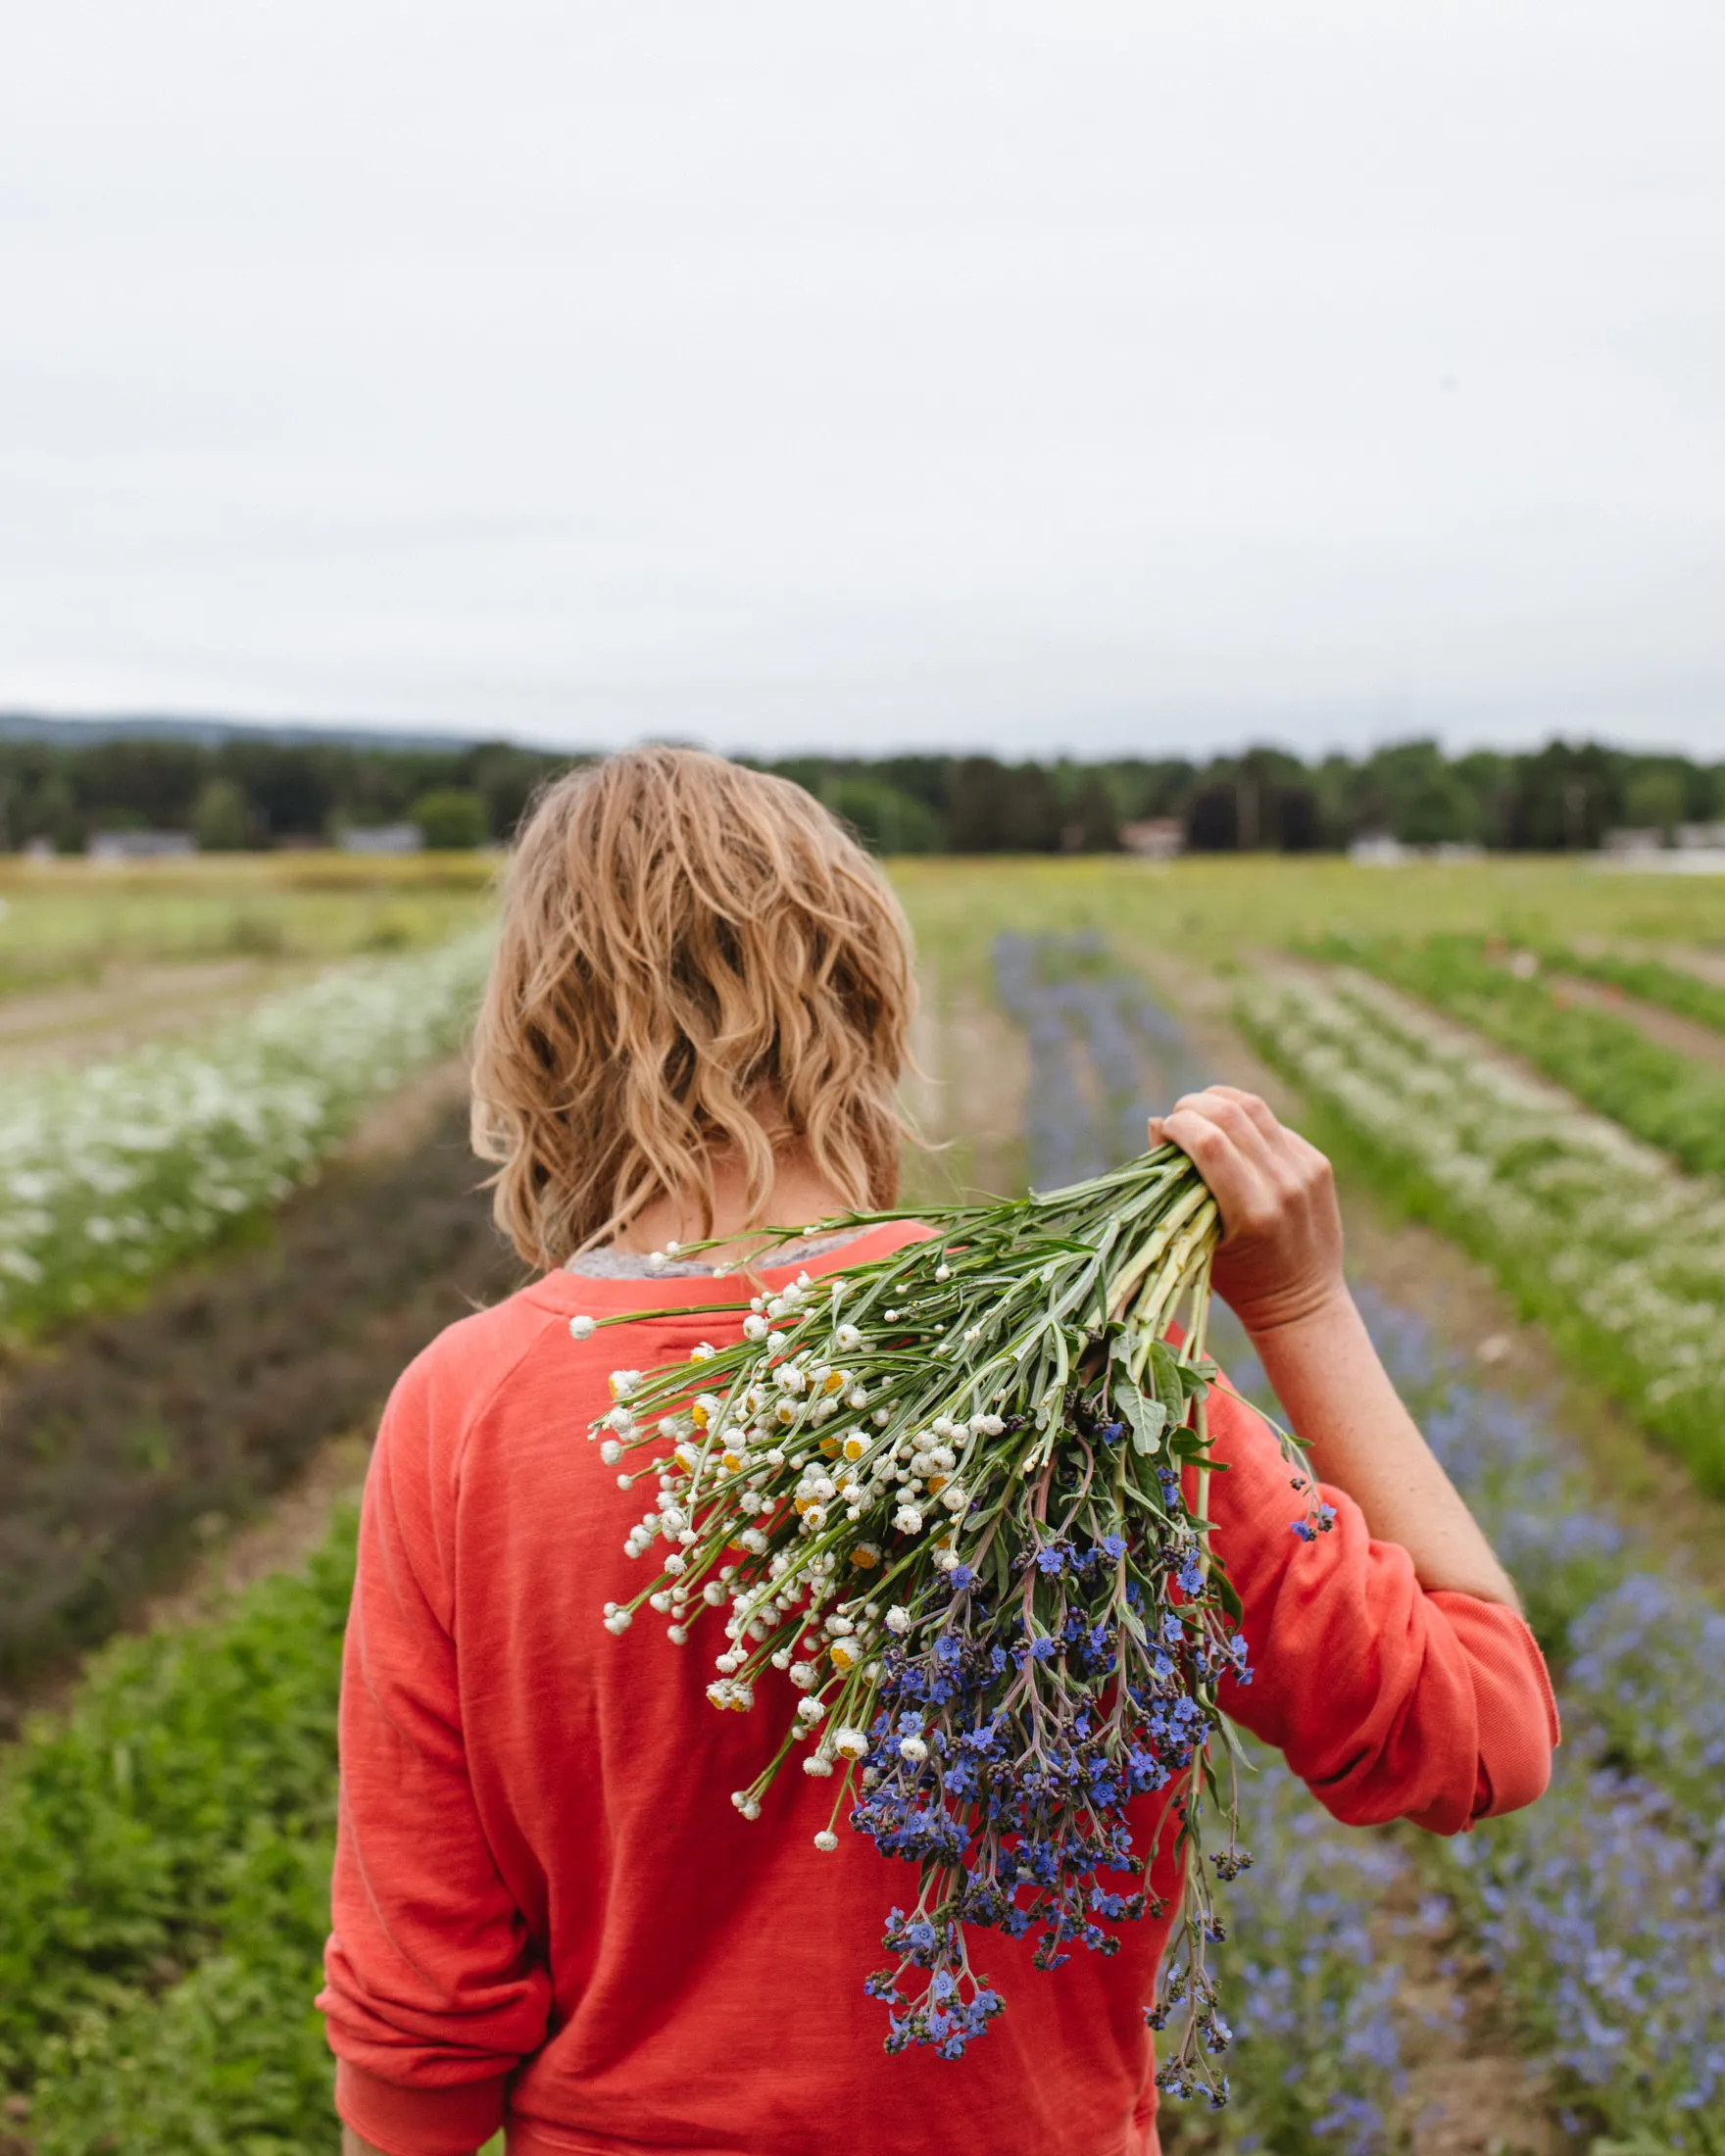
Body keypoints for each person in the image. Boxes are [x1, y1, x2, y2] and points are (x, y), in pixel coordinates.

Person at [320, 747, 1557, 2156]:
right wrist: (1301, 1305)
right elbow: (1482, 1735)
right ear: (863, 1000)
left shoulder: (466, 1411)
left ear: (536, 1038)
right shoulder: (1091, 1375)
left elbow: (423, 2028)